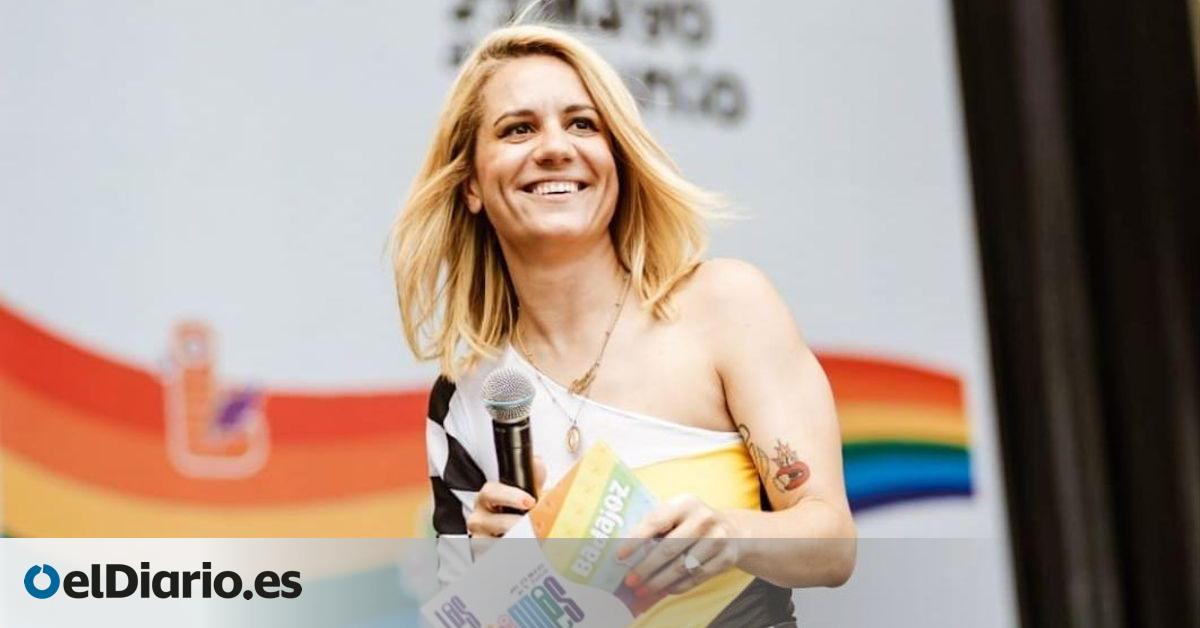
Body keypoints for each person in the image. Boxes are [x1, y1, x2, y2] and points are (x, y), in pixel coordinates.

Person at [389, 22, 855, 627]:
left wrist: (729, 534)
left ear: (617, 160)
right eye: (518, 128)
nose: (555, 147)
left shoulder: (725, 306)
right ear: (472, 183)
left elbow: (832, 546)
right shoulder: (464, 398)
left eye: (583, 124)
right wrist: (496, 576)